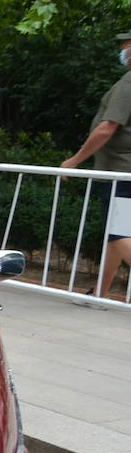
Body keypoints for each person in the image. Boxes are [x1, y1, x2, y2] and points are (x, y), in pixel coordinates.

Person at [63, 30, 131, 299]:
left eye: (128, 44)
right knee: (118, 234)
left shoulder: (128, 83)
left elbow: (107, 127)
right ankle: (99, 293)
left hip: (121, 172)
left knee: (118, 234)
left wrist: (74, 161)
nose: (124, 49)